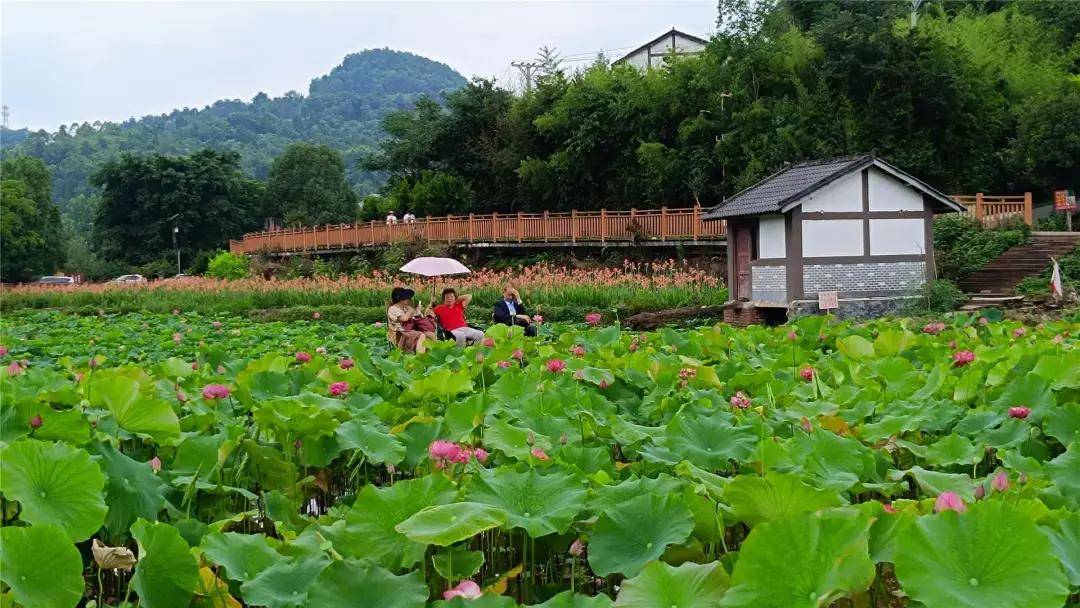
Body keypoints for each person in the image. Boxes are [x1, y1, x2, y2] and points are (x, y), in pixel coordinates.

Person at [386, 287, 436, 353]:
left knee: (430, 335)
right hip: (400, 333)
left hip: (411, 330)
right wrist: (410, 311)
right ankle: (420, 357)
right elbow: (404, 318)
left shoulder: (404, 308)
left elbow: (415, 317)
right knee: (421, 335)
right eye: (406, 298)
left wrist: (419, 310)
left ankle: (434, 354)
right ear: (400, 299)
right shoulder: (393, 308)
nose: (408, 300)